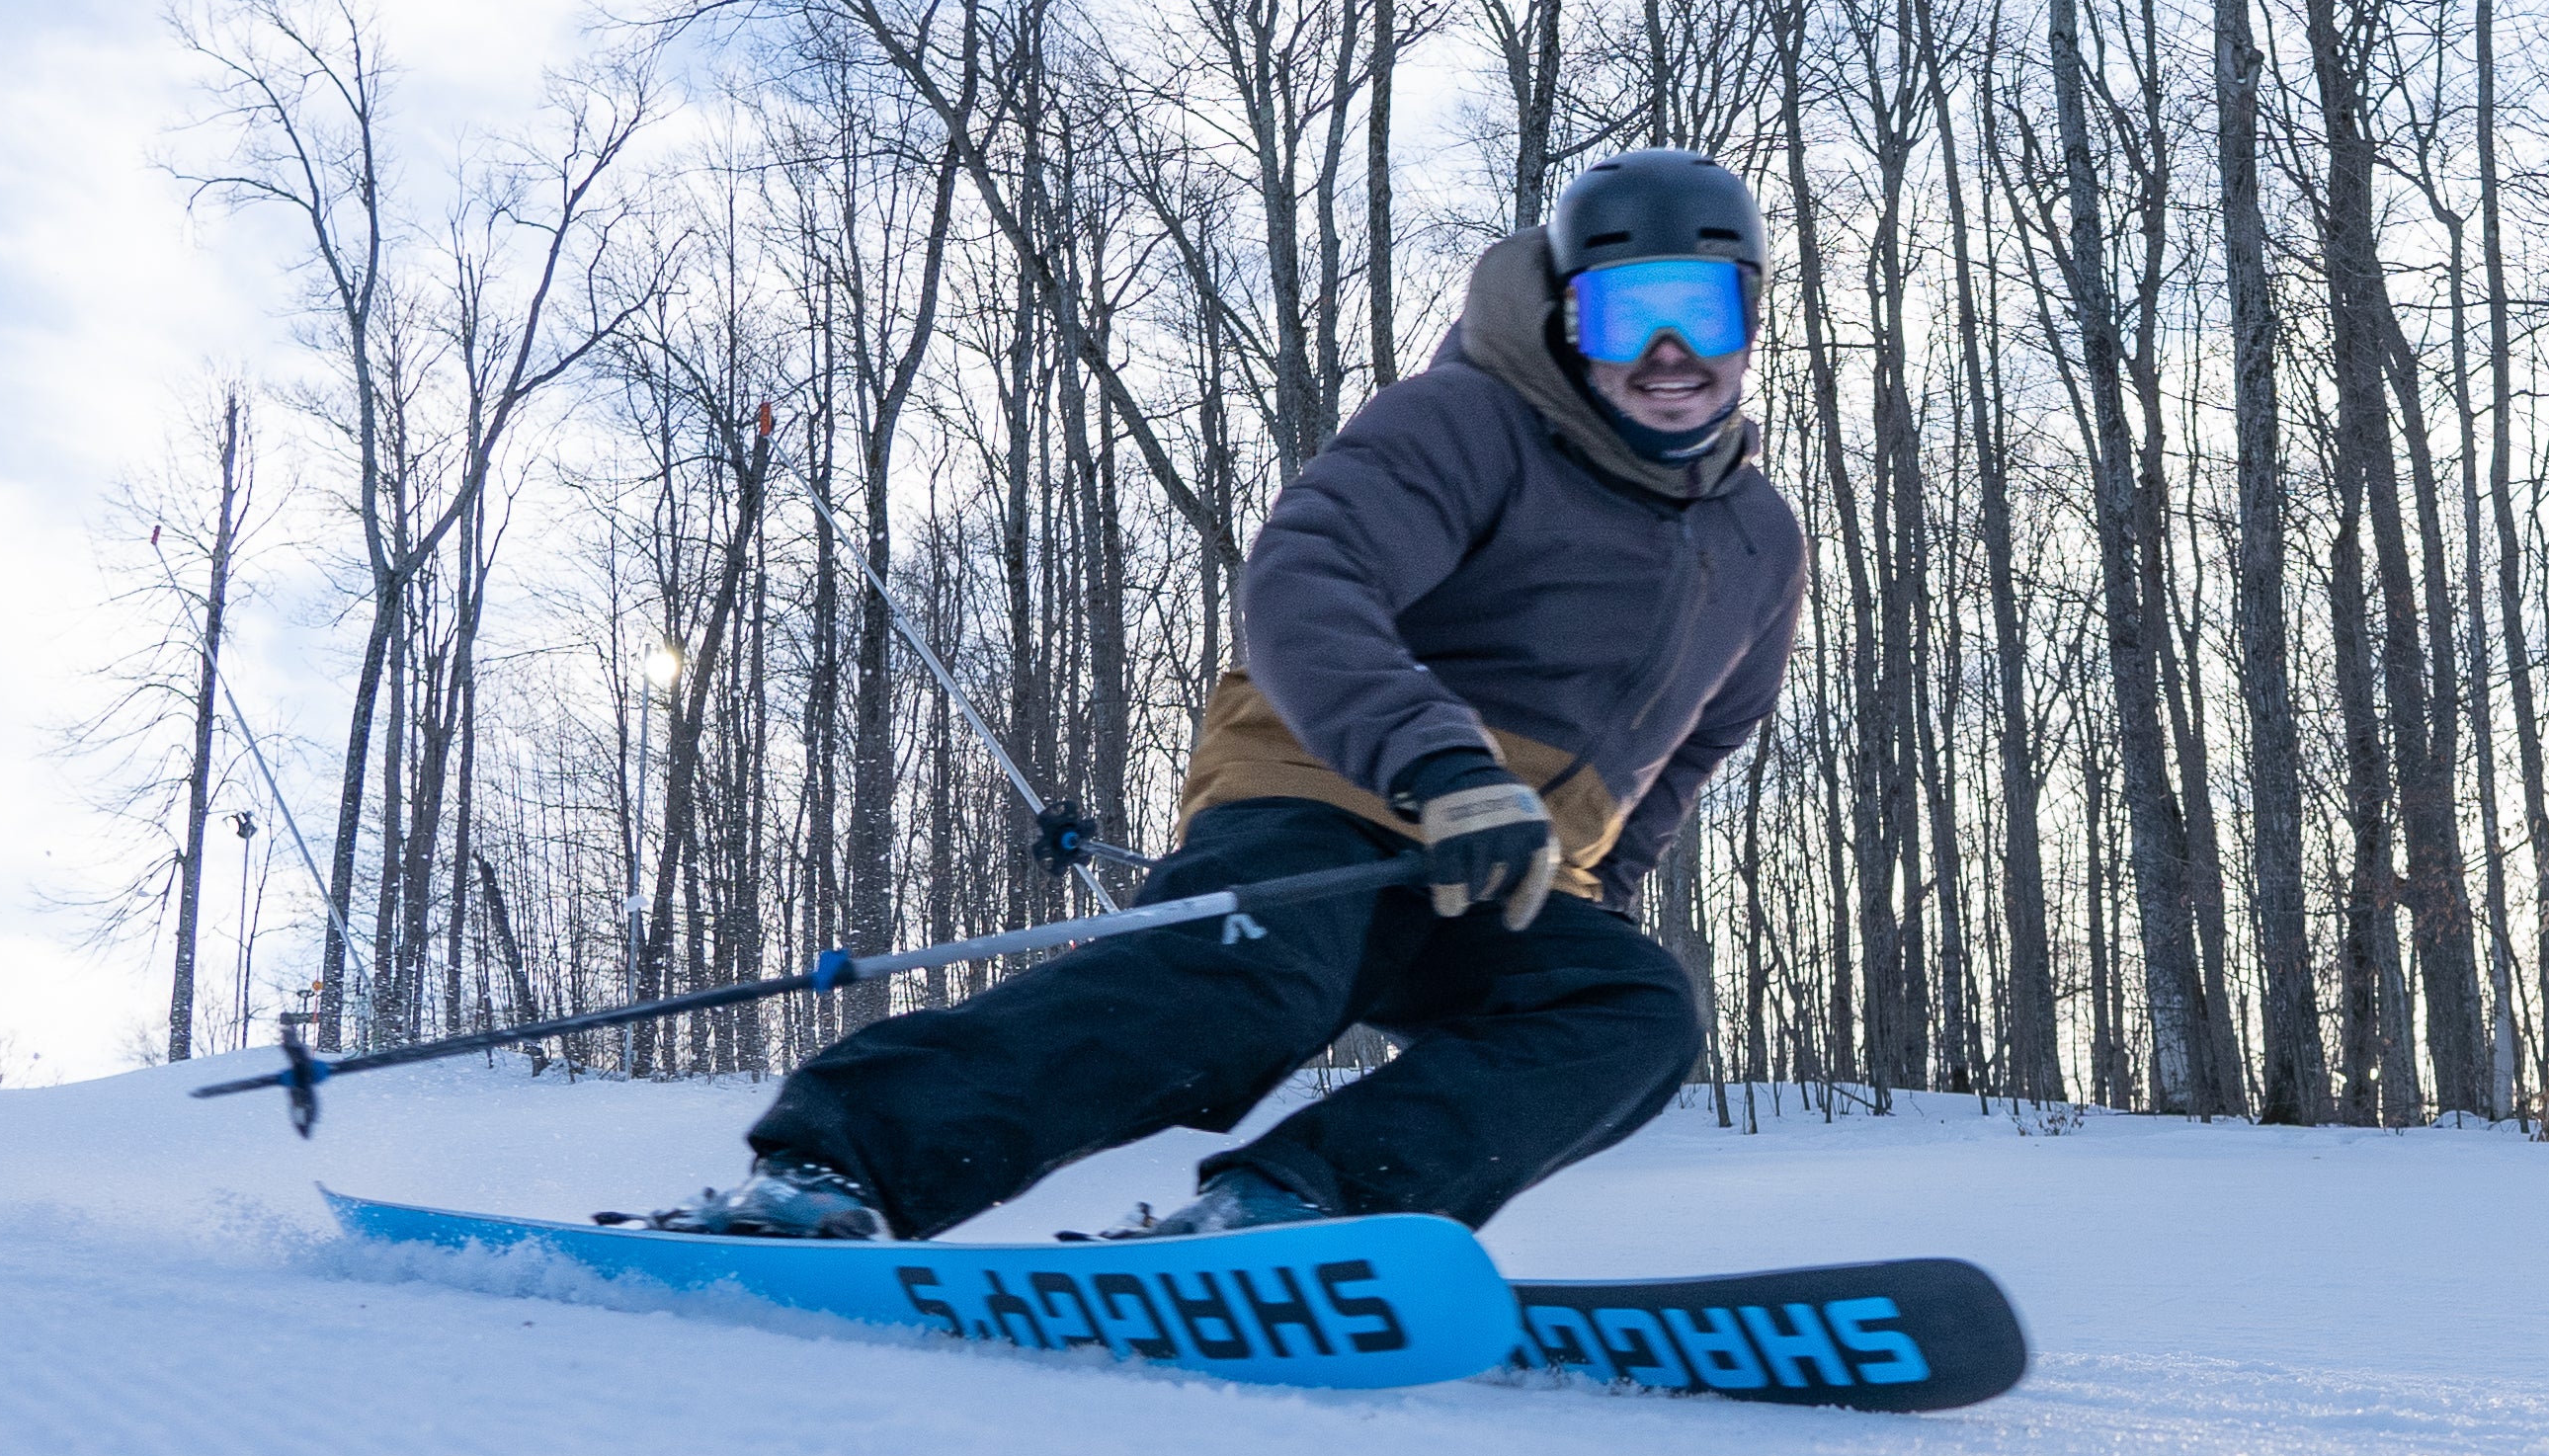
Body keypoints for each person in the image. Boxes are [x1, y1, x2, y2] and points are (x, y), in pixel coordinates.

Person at [644, 149, 1809, 1244]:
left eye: (1702, 311)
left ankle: (1306, 1211)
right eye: (1625, 313)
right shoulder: (1464, 423)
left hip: (1492, 864)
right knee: (1241, 993)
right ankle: (833, 1167)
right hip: (1328, 794)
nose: (1669, 351)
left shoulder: (1761, 543)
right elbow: (1309, 584)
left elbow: (1692, 747)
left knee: (1630, 1007)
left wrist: (1597, 884)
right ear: (1566, 318)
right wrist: (1441, 764)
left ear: (1750, 320)